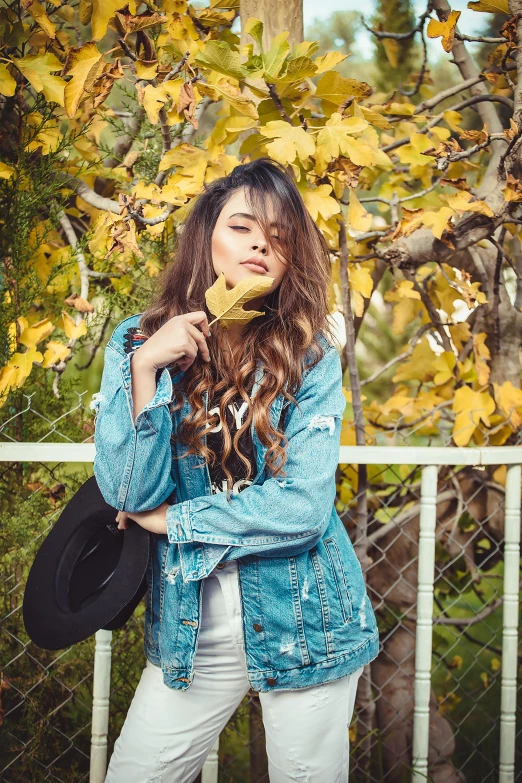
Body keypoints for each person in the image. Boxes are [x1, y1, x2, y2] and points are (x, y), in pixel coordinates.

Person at [92, 157, 380, 783]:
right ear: (207, 239)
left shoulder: (309, 356)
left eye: (279, 236)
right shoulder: (138, 342)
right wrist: (148, 372)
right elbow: (123, 491)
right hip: (192, 630)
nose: (260, 244)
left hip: (309, 623)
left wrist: (177, 520)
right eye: (243, 226)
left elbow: (302, 509)